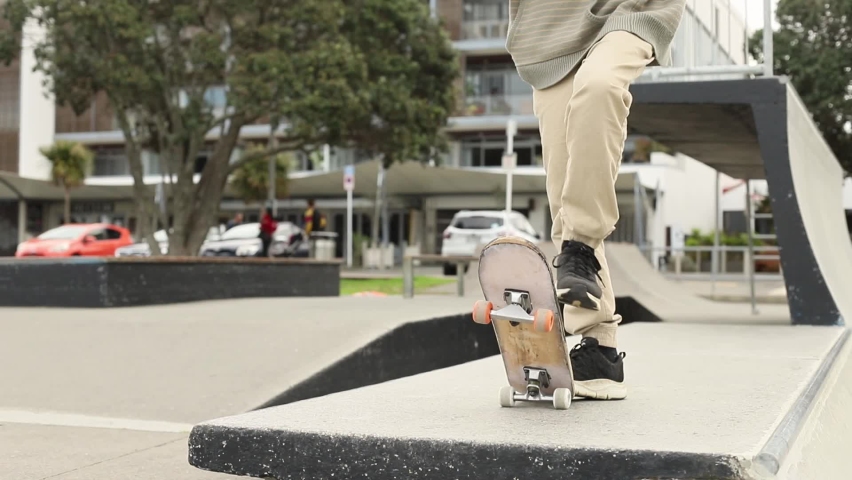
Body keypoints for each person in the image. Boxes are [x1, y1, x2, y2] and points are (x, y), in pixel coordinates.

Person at [506, 1, 686, 400]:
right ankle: (600, 349)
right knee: (566, 184)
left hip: (628, 11)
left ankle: (581, 245)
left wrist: (581, 239)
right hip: (550, 31)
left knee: (600, 85)